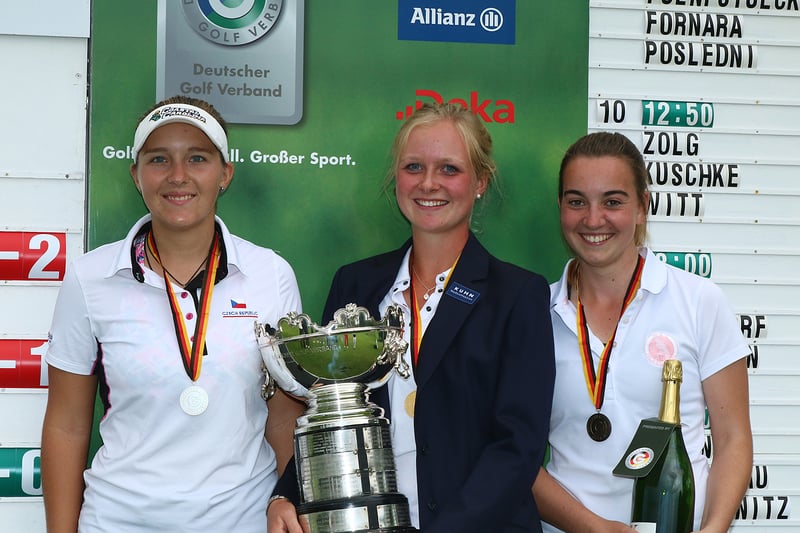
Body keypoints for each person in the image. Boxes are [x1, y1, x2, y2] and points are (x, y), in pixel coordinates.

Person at [267, 102, 556, 532]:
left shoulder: (518, 295)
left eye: (450, 169)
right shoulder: (356, 285)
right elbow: (327, 412)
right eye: (414, 166)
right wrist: (286, 495)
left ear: (481, 181)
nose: (428, 183)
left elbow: (517, 447)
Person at [40, 95, 305, 532]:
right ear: (136, 175)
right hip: (119, 521)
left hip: (242, 521)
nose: (177, 176)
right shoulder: (90, 279)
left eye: (197, 158)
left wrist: (287, 497)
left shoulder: (270, 275)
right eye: (159, 159)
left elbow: (283, 413)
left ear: (225, 174)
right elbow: (67, 424)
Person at [532, 132, 752, 532]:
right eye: (576, 201)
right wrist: (596, 528)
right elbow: (516, 457)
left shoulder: (700, 301)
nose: (593, 219)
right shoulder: (533, 314)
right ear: (560, 207)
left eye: (612, 201)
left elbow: (733, 438)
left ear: (642, 207)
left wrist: (714, 528)